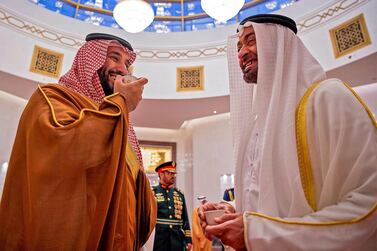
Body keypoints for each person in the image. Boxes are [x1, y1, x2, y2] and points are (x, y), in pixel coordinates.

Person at [199, 14, 377, 250]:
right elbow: (268, 205)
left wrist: (255, 233)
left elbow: (368, 204)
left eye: (252, 40)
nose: (241, 53)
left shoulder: (328, 99)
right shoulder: (255, 127)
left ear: (279, 44)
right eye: (239, 46)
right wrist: (231, 214)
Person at [0, 33, 157, 250]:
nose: (122, 69)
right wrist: (120, 102)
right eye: (114, 57)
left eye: (127, 64)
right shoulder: (52, 98)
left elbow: (132, 187)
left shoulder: (117, 118)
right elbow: (67, 152)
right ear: (88, 61)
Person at [153, 161, 192, 251]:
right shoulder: (153, 193)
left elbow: (185, 219)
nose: (173, 176)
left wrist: (188, 240)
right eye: (169, 173)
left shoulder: (179, 194)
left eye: (174, 173)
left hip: (177, 239)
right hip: (159, 239)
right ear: (161, 174)